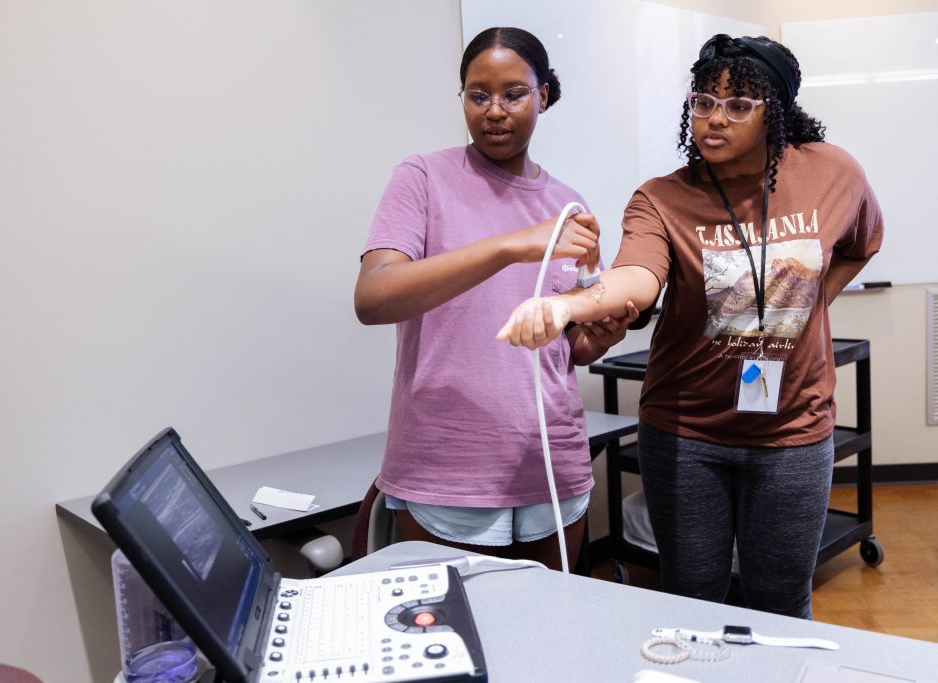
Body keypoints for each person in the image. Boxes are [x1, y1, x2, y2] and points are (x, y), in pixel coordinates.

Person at [497, 34, 883, 616]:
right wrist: (568, 306)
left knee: (780, 599)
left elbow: (862, 243)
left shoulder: (833, 173)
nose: (713, 119)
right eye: (703, 102)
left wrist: (811, 304)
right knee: (691, 598)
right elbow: (637, 277)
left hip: (793, 432)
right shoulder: (662, 199)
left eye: (737, 106)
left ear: (774, 111)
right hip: (687, 433)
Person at [355, 26, 639, 571]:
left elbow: (568, 348)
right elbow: (373, 298)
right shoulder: (422, 178)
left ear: (544, 97)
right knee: (460, 645)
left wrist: (595, 338)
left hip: (550, 459)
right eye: (477, 95)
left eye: (514, 94)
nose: (494, 111)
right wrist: (511, 245)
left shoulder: (567, 204)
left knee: (549, 636)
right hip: (446, 465)